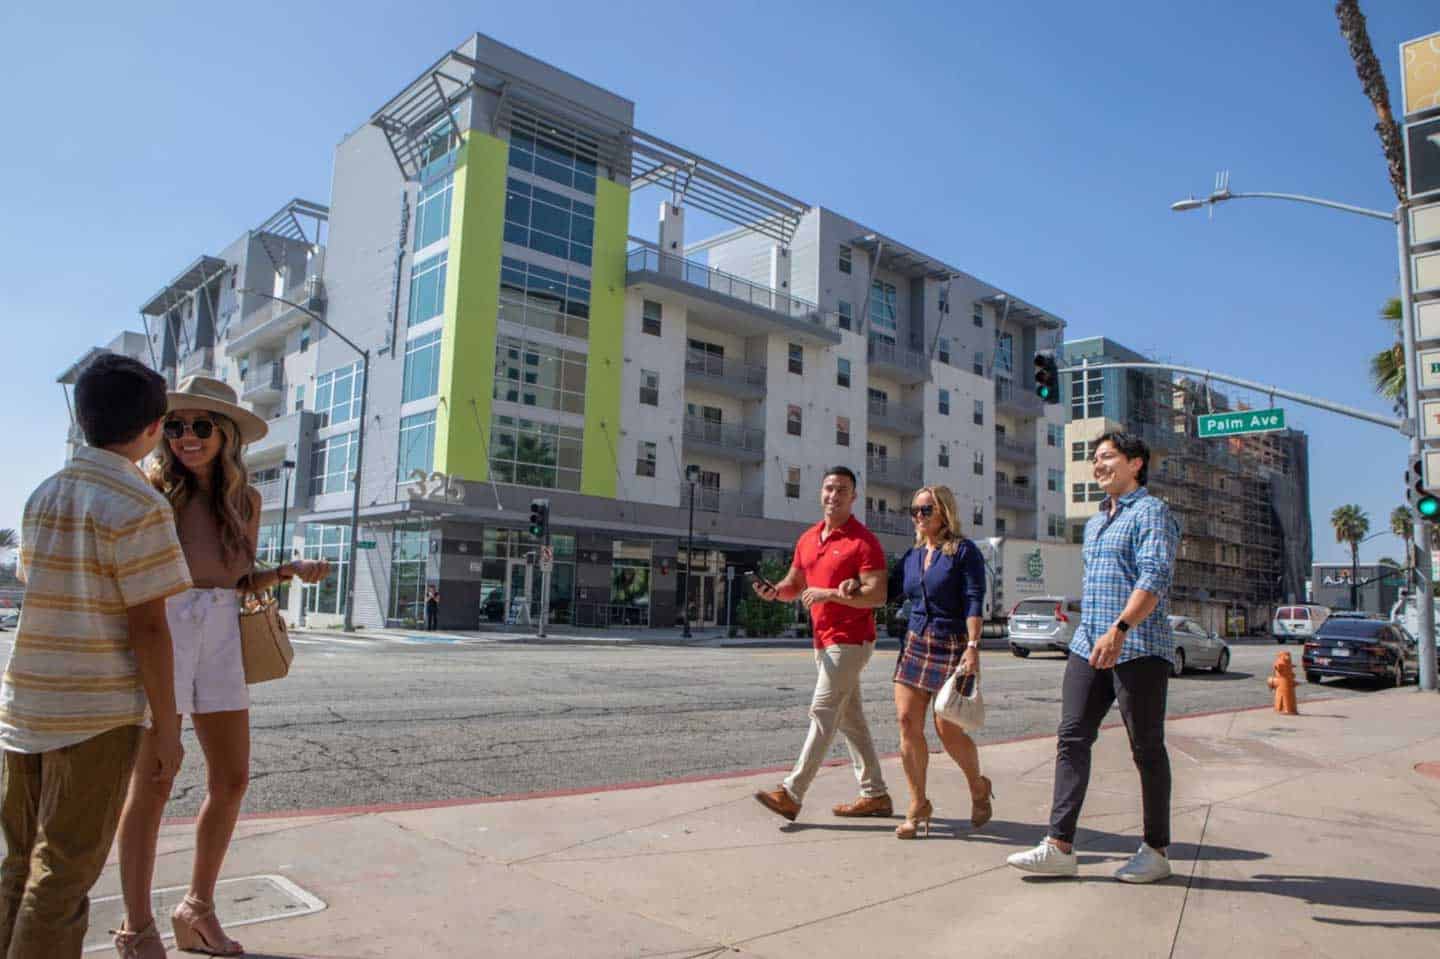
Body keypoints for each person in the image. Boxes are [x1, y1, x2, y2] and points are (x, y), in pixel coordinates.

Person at [113, 376, 329, 958]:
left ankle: (196, 909)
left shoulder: (246, 501)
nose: (188, 437)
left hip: (221, 629)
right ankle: (136, 928)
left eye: (202, 427)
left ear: (226, 435)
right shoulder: (150, 491)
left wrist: (287, 571)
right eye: (178, 426)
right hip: (163, 627)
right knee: (154, 780)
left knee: (231, 779)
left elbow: (234, 581)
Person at [0, 353, 190, 959]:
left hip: (25, 704)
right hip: (95, 712)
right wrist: (166, 726)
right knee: (64, 875)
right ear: (153, 429)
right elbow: (149, 627)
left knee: (18, 865)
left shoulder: (43, 496)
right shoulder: (139, 506)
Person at [1007, 432, 1180, 883]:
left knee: (1146, 748)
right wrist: (1097, 634)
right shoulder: (1096, 521)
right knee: (1072, 737)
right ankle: (1059, 845)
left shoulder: (1151, 513)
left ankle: (1155, 850)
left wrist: (1120, 629)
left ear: (1136, 463)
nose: (1097, 465)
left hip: (1138, 646)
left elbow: (1155, 576)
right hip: (1088, 644)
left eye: (1107, 457)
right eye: (1095, 459)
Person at [752, 466, 892, 822]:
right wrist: (773, 593)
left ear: (853, 497)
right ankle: (875, 794)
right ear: (821, 493)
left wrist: (831, 593)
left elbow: (877, 595)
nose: (834, 495)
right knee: (850, 720)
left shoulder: (863, 542)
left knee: (823, 712)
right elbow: (793, 585)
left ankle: (792, 793)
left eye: (842, 490)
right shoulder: (808, 539)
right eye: (829, 488)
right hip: (822, 640)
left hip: (851, 641)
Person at [878, 485, 993, 839]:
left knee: (947, 729)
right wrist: (852, 584)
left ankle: (977, 785)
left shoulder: (963, 551)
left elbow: (975, 598)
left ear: (944, 511)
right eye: (914, 510)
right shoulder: (911, 557)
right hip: (915, 642)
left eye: (926, 510)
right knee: (906, 722)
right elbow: (887, 590)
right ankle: (918, 804)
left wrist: (973, 646)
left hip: (952, 644)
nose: (919, 516)